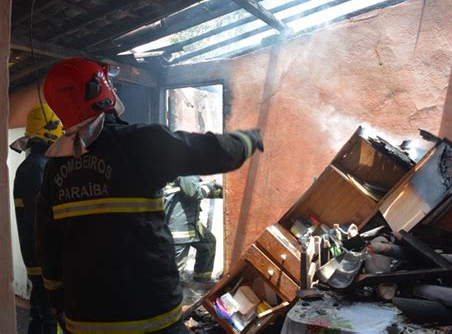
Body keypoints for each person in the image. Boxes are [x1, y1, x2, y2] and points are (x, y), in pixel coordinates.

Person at [35, 58, 264, 333]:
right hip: (152, 317)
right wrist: (249, 139)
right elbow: (212, 151)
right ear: (100, 90)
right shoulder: (139, 142)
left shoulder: (54, 170)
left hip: (85, 322)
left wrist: (59, 303)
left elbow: (48, 247)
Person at [10, 103, 62, 334]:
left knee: (40, 314)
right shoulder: (37, 168)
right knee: (49, 318)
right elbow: (42, 220)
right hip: (43, 260)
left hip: (37, 258)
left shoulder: (31, 166)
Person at [164, 176, 222, 282]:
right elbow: (193, 192)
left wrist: (220, 192)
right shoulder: (186, 163)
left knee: (208, 243)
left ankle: (200, 285)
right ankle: (166, 294)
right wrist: (209, 186)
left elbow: (194, 189)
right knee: (175, 269)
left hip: (191, 222)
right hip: (179, 226)